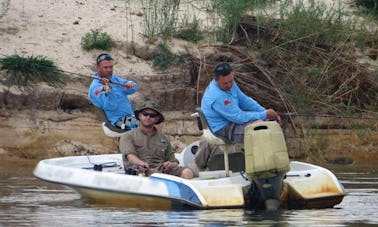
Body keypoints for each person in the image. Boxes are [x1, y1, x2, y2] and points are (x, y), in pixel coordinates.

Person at [201, 62, 282, 144]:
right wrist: (264, 114)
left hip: (231, 119)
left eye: (231, 81)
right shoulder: (217, 96)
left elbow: (244, 100)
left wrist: (264, 111)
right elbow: (238, 117)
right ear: (216, 80)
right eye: (225, 83)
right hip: (222, 127)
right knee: (260, 129)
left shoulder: (230, 84)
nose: (229, 85)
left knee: (266, 125)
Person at [119, 100, 194, 179]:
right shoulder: (127, 136)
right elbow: (130, 156)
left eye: (152, 115)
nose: (148, 117)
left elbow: (174, 160)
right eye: (145, 114)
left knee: (187, 173)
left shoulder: (163, 138)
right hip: (140, 171)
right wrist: (141, 163)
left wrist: (170, 164)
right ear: (140, 116)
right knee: (156, 176)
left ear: (156, 119)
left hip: (162, 170)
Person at [88, 53, 139, 130]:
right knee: (146, 126)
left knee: (155, 121)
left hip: (130, 116)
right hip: (117, 121)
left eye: (111, 67)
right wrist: (109, 89)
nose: (109, 70)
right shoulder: (96, 88)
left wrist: (131, 85)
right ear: (98, 68)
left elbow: (133, 88)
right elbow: (111, 106)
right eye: (105, 67)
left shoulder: (113, 78)